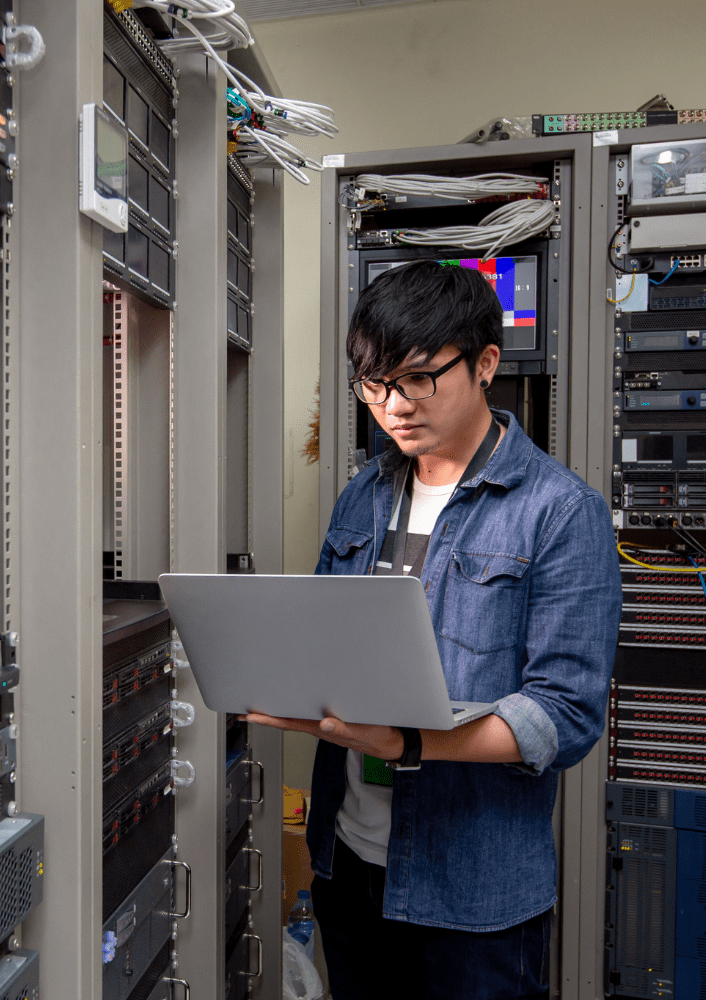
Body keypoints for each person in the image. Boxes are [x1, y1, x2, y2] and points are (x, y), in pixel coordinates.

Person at [248, 260, 621, 1000]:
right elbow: (328, 636)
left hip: (472, 894)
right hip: (350, 864)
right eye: (374, 383)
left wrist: (411, 742)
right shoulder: (365, 492)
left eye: (419, 379)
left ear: (485, 363)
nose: (393, 405)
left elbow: (566, 716)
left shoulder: (558, 512)